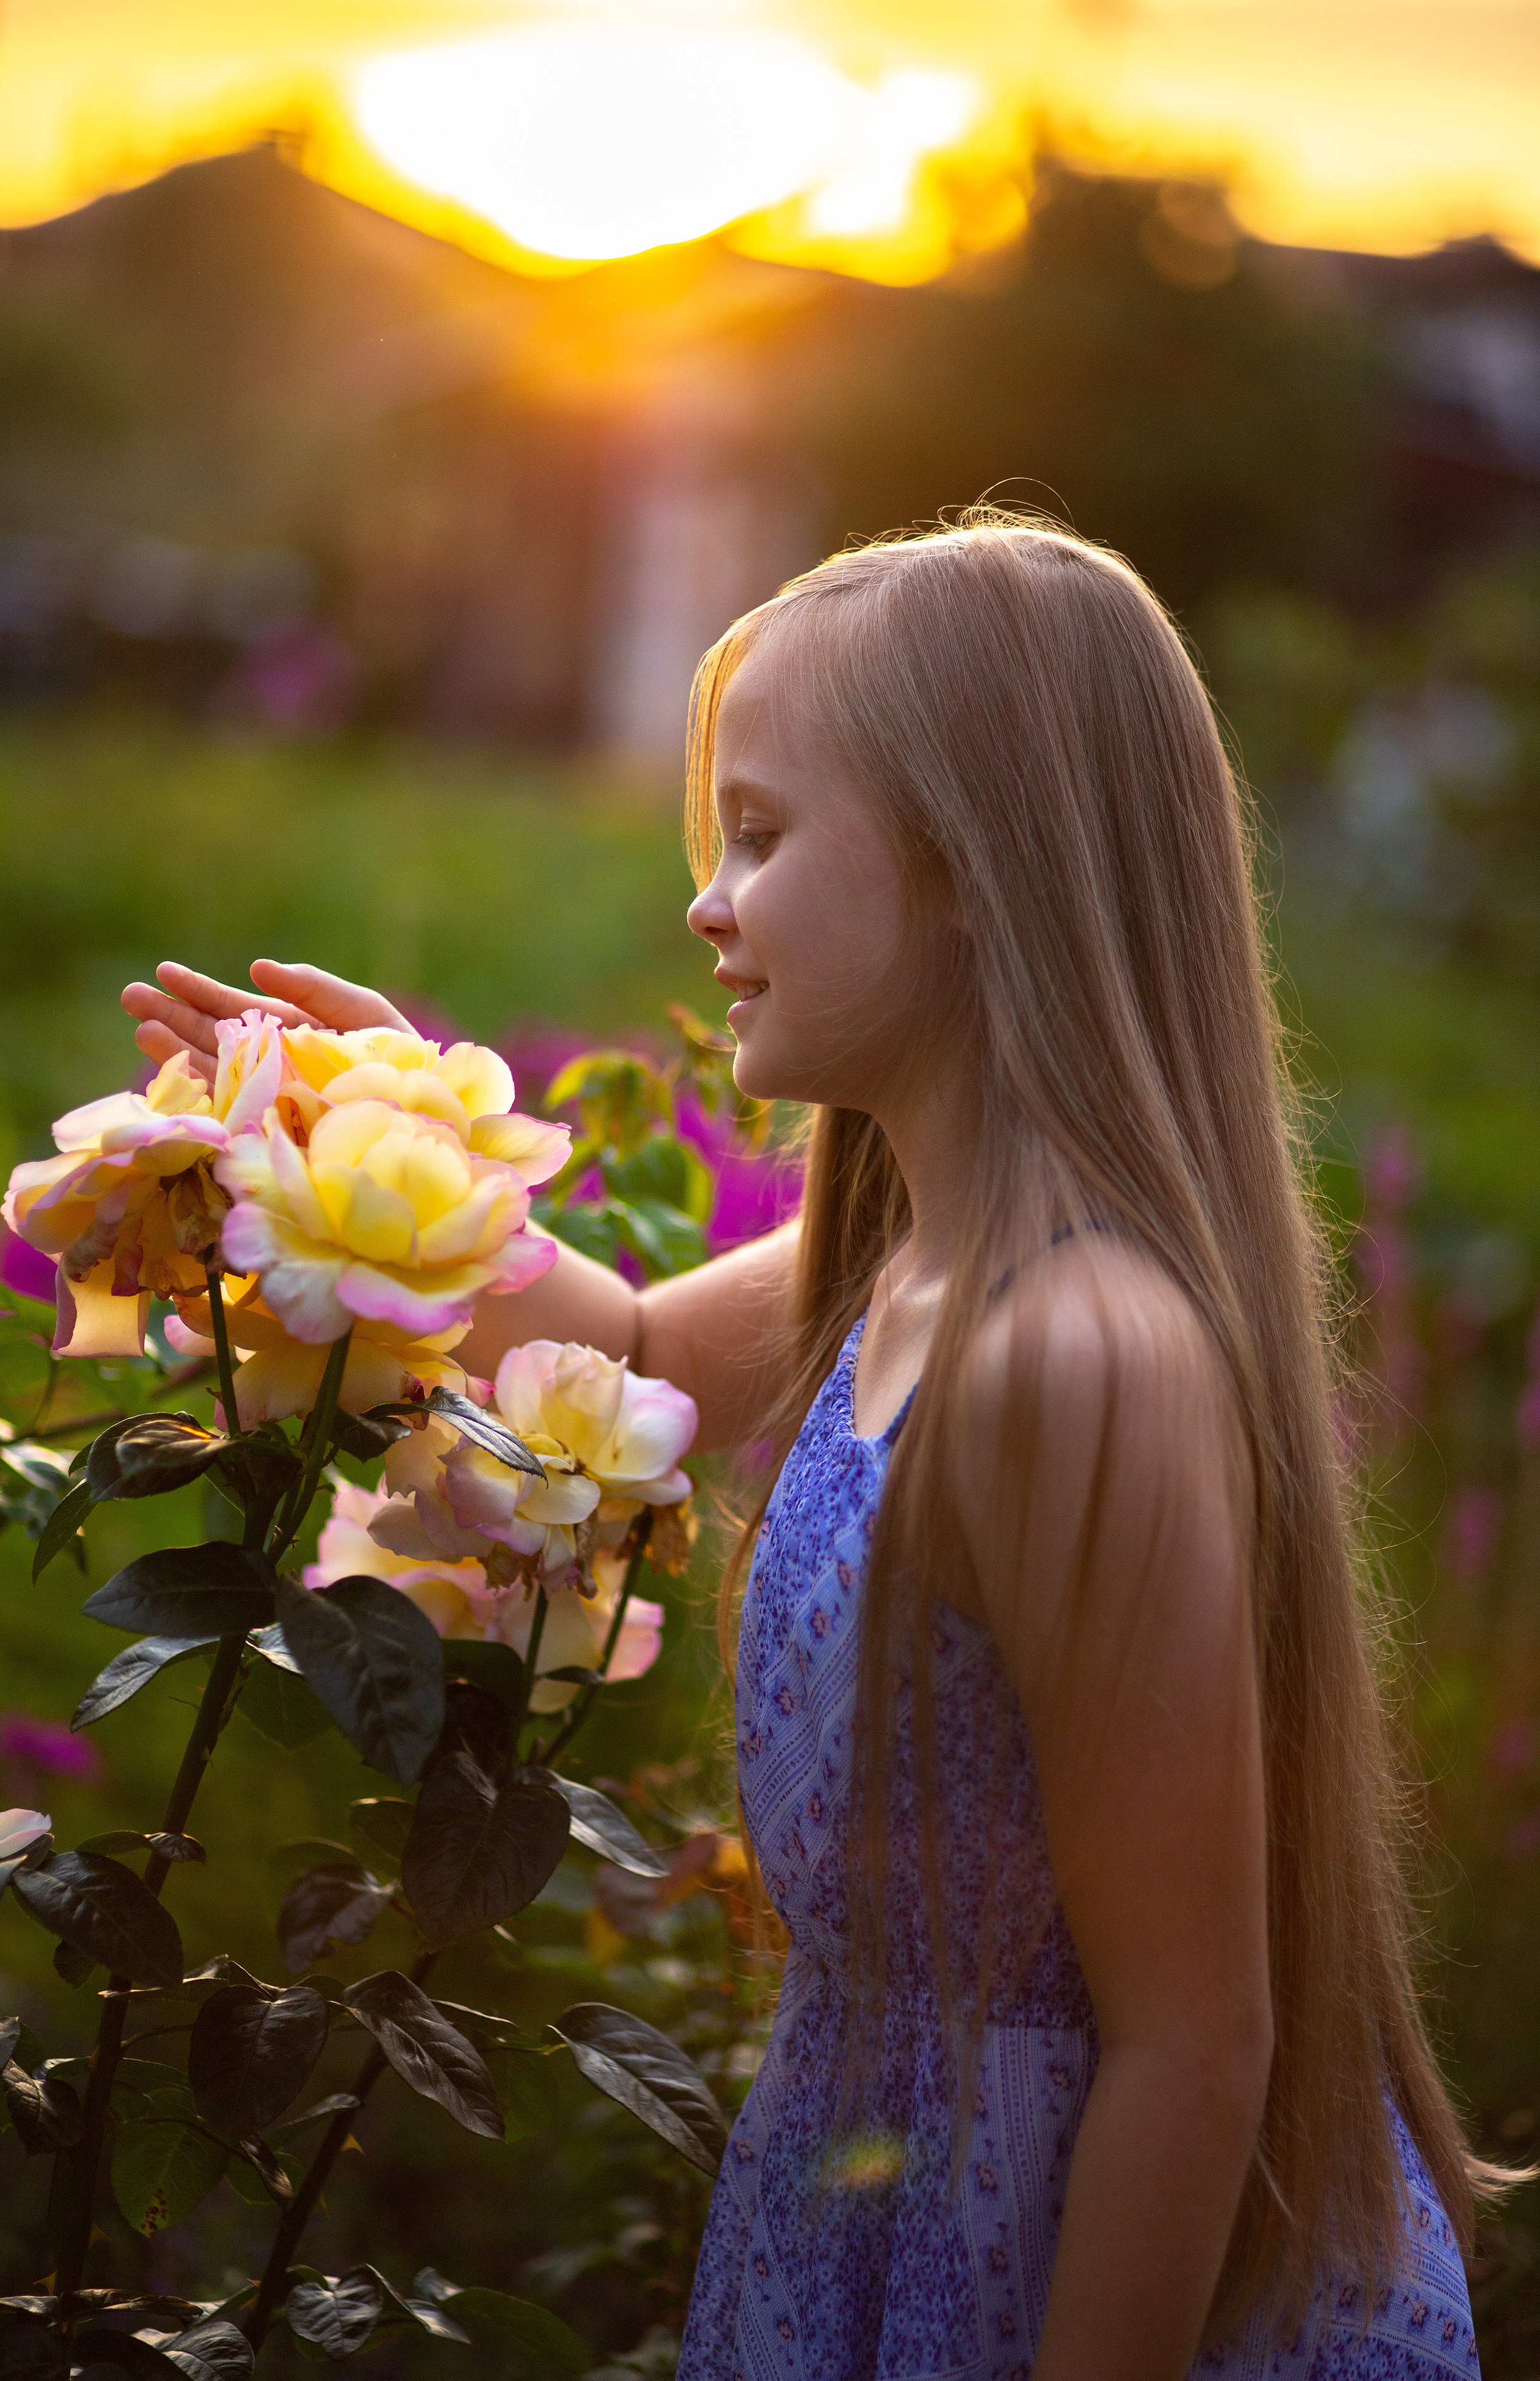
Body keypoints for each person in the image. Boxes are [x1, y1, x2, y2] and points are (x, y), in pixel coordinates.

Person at [125, 518, 1503, 2381]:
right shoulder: (901, 1256)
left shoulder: (1074, 1353)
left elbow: (1198, 2048)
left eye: (762, 838)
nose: (708, 901)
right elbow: (616, 1351)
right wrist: (367, 1119)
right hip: (886, 2215)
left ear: (970, 870)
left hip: (1060, 2276)